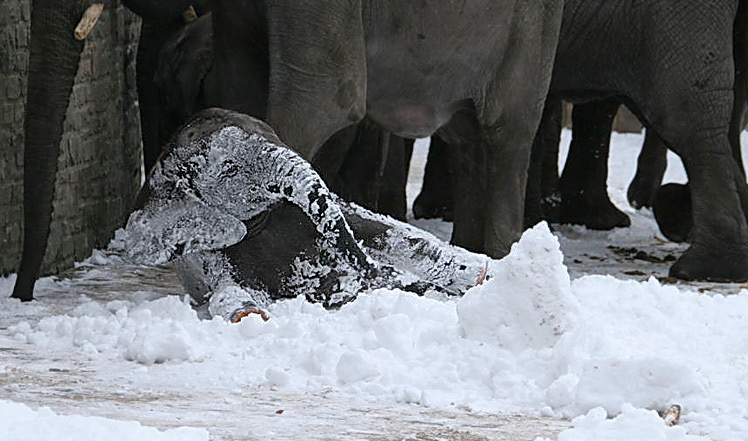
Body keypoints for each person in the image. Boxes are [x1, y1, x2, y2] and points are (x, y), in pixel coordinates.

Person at [125, 108, 487, 321]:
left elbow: (374, 231)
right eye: (232, 172)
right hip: (266, 273)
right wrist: (241, 312)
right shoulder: (201, 246)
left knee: (379, 248)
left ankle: (454, 270)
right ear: (196, 205)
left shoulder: (287, 198)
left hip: (337, 265)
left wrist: (437, 264)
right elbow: (221, 290)